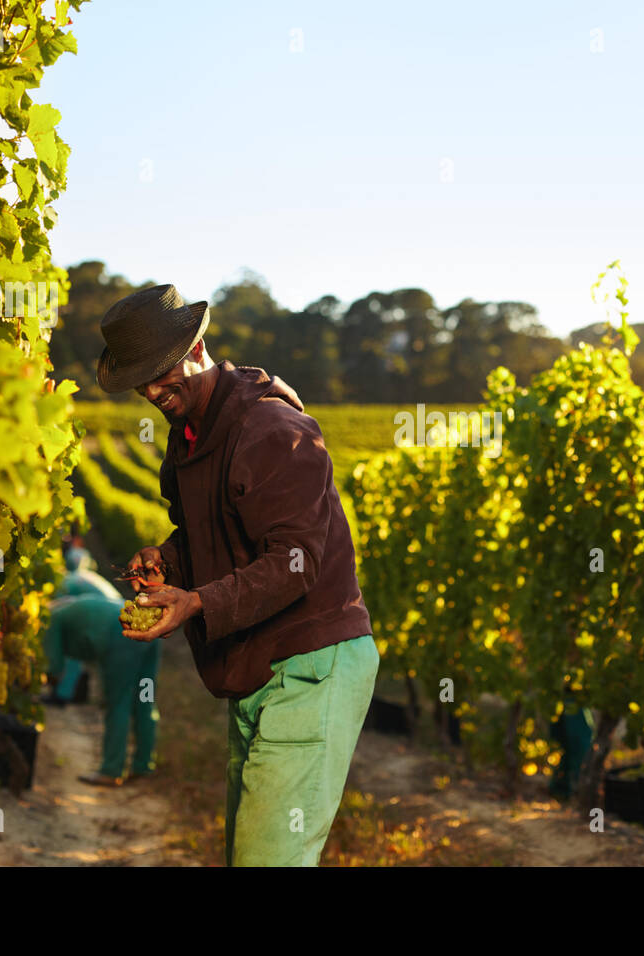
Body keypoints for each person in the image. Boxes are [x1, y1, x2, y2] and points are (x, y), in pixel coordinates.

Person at [95, 283, 377, 865]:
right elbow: (214, 533)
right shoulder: (190, 438)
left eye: (162, 371)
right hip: (256, 667)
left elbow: (297, 560)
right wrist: (166, 560)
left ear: (197, 346)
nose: (151, 390)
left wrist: (196, 602)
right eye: (139, 380)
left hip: (311, 664)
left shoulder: (271, 429)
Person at [42, 593, 160, 786]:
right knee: (145, 698)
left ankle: (111, 771)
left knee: (118, 702)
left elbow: (54, 668)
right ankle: (143, 765)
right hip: (146, 623)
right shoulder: (62, 608)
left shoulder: (50, 621)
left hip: (121, 635)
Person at [44, 547, 123, 705]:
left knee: (72, 649)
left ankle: (63, 694)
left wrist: (53, 670)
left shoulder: (67, 582)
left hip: (109, 616)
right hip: (119, 610)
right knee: (108, 657)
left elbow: (57, 614)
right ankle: (106, 698)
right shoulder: (89, 577)